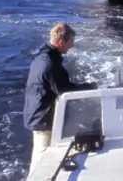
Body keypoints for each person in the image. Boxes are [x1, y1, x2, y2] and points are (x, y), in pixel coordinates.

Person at [23, 22, 96, 173]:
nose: (71, 46)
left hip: (36, 112)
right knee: (40, 160)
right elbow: (64, 91)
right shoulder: (50, 64)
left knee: (41, 154)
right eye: (70, 42)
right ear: (62, 41)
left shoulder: (42, 57)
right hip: (42, 119)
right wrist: (88, 87)